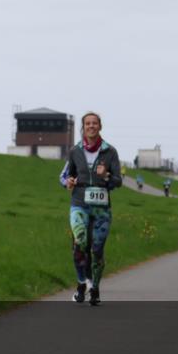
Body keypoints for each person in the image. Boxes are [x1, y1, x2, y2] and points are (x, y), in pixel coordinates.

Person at [59, 112, 122, 306]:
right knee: (79, 243)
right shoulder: (75, 151)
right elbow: (64, 176)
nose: (91, 126)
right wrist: (68, 182)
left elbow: (118, 181)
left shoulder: (110, 151)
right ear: (83, 127)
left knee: (97, 249)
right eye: (88, 123)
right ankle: (82, 284)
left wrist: (106, 176)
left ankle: (94, 288)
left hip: (101, 209)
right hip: (79, 203)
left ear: (100, 126)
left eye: (95, 123)